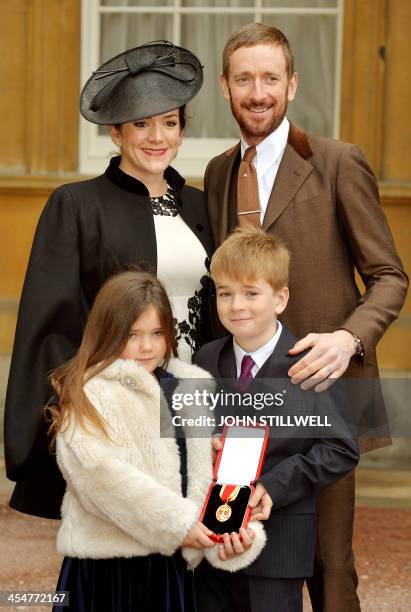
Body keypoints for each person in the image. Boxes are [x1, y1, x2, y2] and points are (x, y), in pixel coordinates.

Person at [203, 22, 408, 611]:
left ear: (292, 85)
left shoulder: (340, 163)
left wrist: (348, 339)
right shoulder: (218, 171)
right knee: (241, 549)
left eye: (271, 78)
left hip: (325, 394)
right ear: (225, 87)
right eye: (244, 79)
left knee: (328, 561)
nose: (258, 92)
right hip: (242, 400)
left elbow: (391, 278)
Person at [5, 41, 216, 520]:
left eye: (169, 122)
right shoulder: (76, 204)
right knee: (123, 545)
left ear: (182, 128)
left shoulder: (202, 207)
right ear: (116, 132)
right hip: (119, 404)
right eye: (141, 123)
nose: (156, 136)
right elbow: (50, 321)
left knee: (193, 539)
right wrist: (76, 406)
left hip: (193, 400)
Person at [49, 270, 267, 612]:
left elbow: (202, 477)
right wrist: (178, 526)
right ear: (108, 332)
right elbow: (100, 476)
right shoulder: (91, 394)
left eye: (156, 333)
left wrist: (227, 533)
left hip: (172, 569)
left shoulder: (190, 387)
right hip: (109, 570)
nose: (146, 346)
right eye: (132, 334)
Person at [193, 228, 359, 612]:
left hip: (278, 543)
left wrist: (274, 486)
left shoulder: (310, 362)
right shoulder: (205, 359)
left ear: (280, 298)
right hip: (210, 540)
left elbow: (341, 447)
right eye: (225, 293)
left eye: (251, 293)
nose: (237, 306)